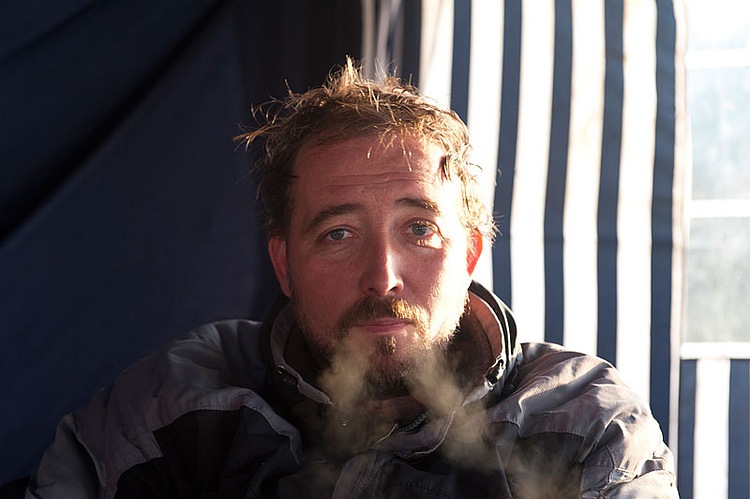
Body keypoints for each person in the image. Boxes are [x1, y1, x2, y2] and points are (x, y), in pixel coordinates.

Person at [25, 59, 677, 498]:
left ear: (470, 255)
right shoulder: (175, 410)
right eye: (338, 234)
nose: (382, 277)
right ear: (284, 264)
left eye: (419, 228)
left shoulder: (582, 421)